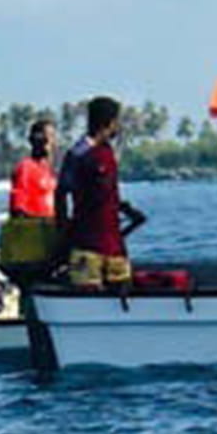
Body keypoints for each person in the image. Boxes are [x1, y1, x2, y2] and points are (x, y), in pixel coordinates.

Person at [56, 95, 145, 290]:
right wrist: (63, 234)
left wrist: (127, 211)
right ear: (110, 123)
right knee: (87, 297)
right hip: (87, 247)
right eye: (117, 122)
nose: (117, 127)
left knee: (123, 294)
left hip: (114, 246)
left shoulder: (107, 152)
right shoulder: (79, 153)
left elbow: (106, 193)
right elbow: (61, 193)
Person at [0, 118, 62, 285]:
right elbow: (17, 208)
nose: (47, 141)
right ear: (33, 141)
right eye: (43, 137)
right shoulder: (26, 168)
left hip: (48, 239)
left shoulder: (49, 172)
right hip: (31, 243)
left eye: (50, 137)